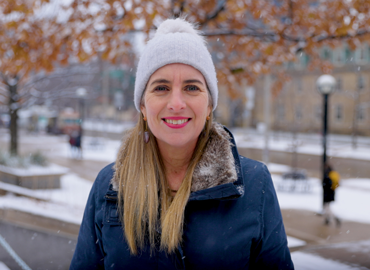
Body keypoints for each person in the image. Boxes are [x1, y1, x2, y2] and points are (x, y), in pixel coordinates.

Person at [70, 18, 294, 270]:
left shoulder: (254, 183)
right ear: (143, 106)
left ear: (209, 105)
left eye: (191, 87)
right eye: (161, 87)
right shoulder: (109, 184)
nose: (176, 103)